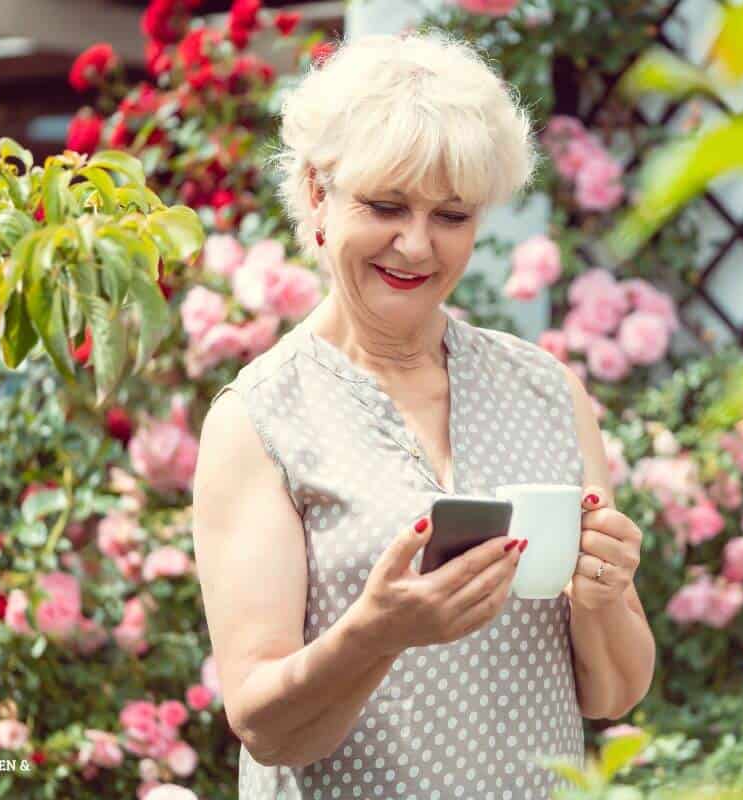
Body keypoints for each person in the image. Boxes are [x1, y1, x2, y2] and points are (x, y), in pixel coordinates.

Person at [191, 30, 655, 799]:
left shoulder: (546, 392)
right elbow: (263, 723)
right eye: (385, 205)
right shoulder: (260, 419)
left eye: (451, 215)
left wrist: (603, 594)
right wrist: (377, 634)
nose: (416, 244)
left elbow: (614, 695)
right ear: (316, 193)